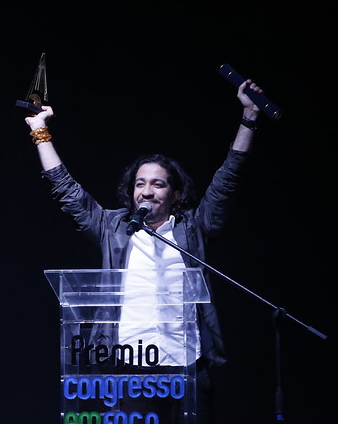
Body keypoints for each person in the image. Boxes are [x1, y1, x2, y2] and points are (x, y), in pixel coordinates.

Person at [25, 79, 265, 423]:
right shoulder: (113, 227)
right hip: (131, 367)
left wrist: (248, 117)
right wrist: (39, 131)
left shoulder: (193, 227)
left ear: (175, 193)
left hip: (187, 363)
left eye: (158, 183)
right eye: (140, 183)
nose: (147, 191)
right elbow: (66, 191)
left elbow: (228, 178)